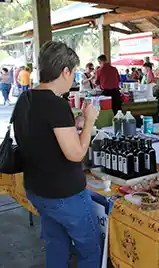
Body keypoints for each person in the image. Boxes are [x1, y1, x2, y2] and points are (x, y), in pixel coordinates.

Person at [13, 41, 101, 268]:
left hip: (37, 188)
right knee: (90, 249)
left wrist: (76, 125)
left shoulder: (25, 99)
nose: (73, 79)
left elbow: (43, 137)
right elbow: (76, 154)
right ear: (65, 71)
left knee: (57, 243)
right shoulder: (56, 105)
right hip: (64, 193)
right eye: (73, 73)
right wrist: (89, 121)